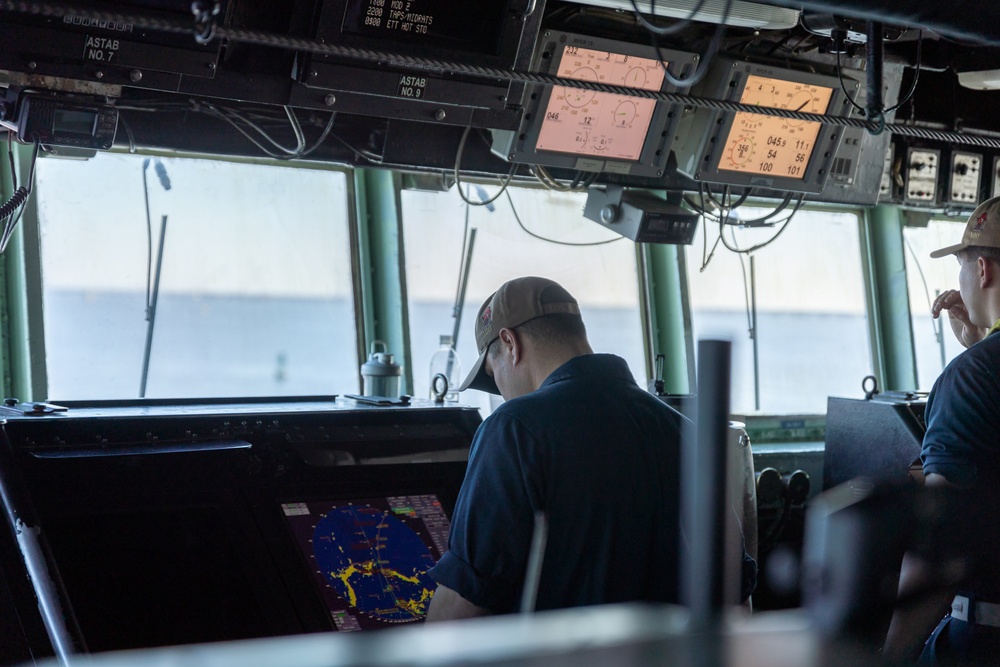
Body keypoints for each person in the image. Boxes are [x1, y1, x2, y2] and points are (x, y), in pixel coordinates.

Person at [425, 276, 755, 621]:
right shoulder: (684, 431)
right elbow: (736, 601)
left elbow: (461, 606)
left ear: (510, 343)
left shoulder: (514, 429)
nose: (502, 394)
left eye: (494, 377)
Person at [883, 196, 1000, 664]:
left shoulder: (972, 378)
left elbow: (941, 544)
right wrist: (981, 342)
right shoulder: (979, 370)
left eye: (962, 268)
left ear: (984, 270)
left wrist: (887, 658)